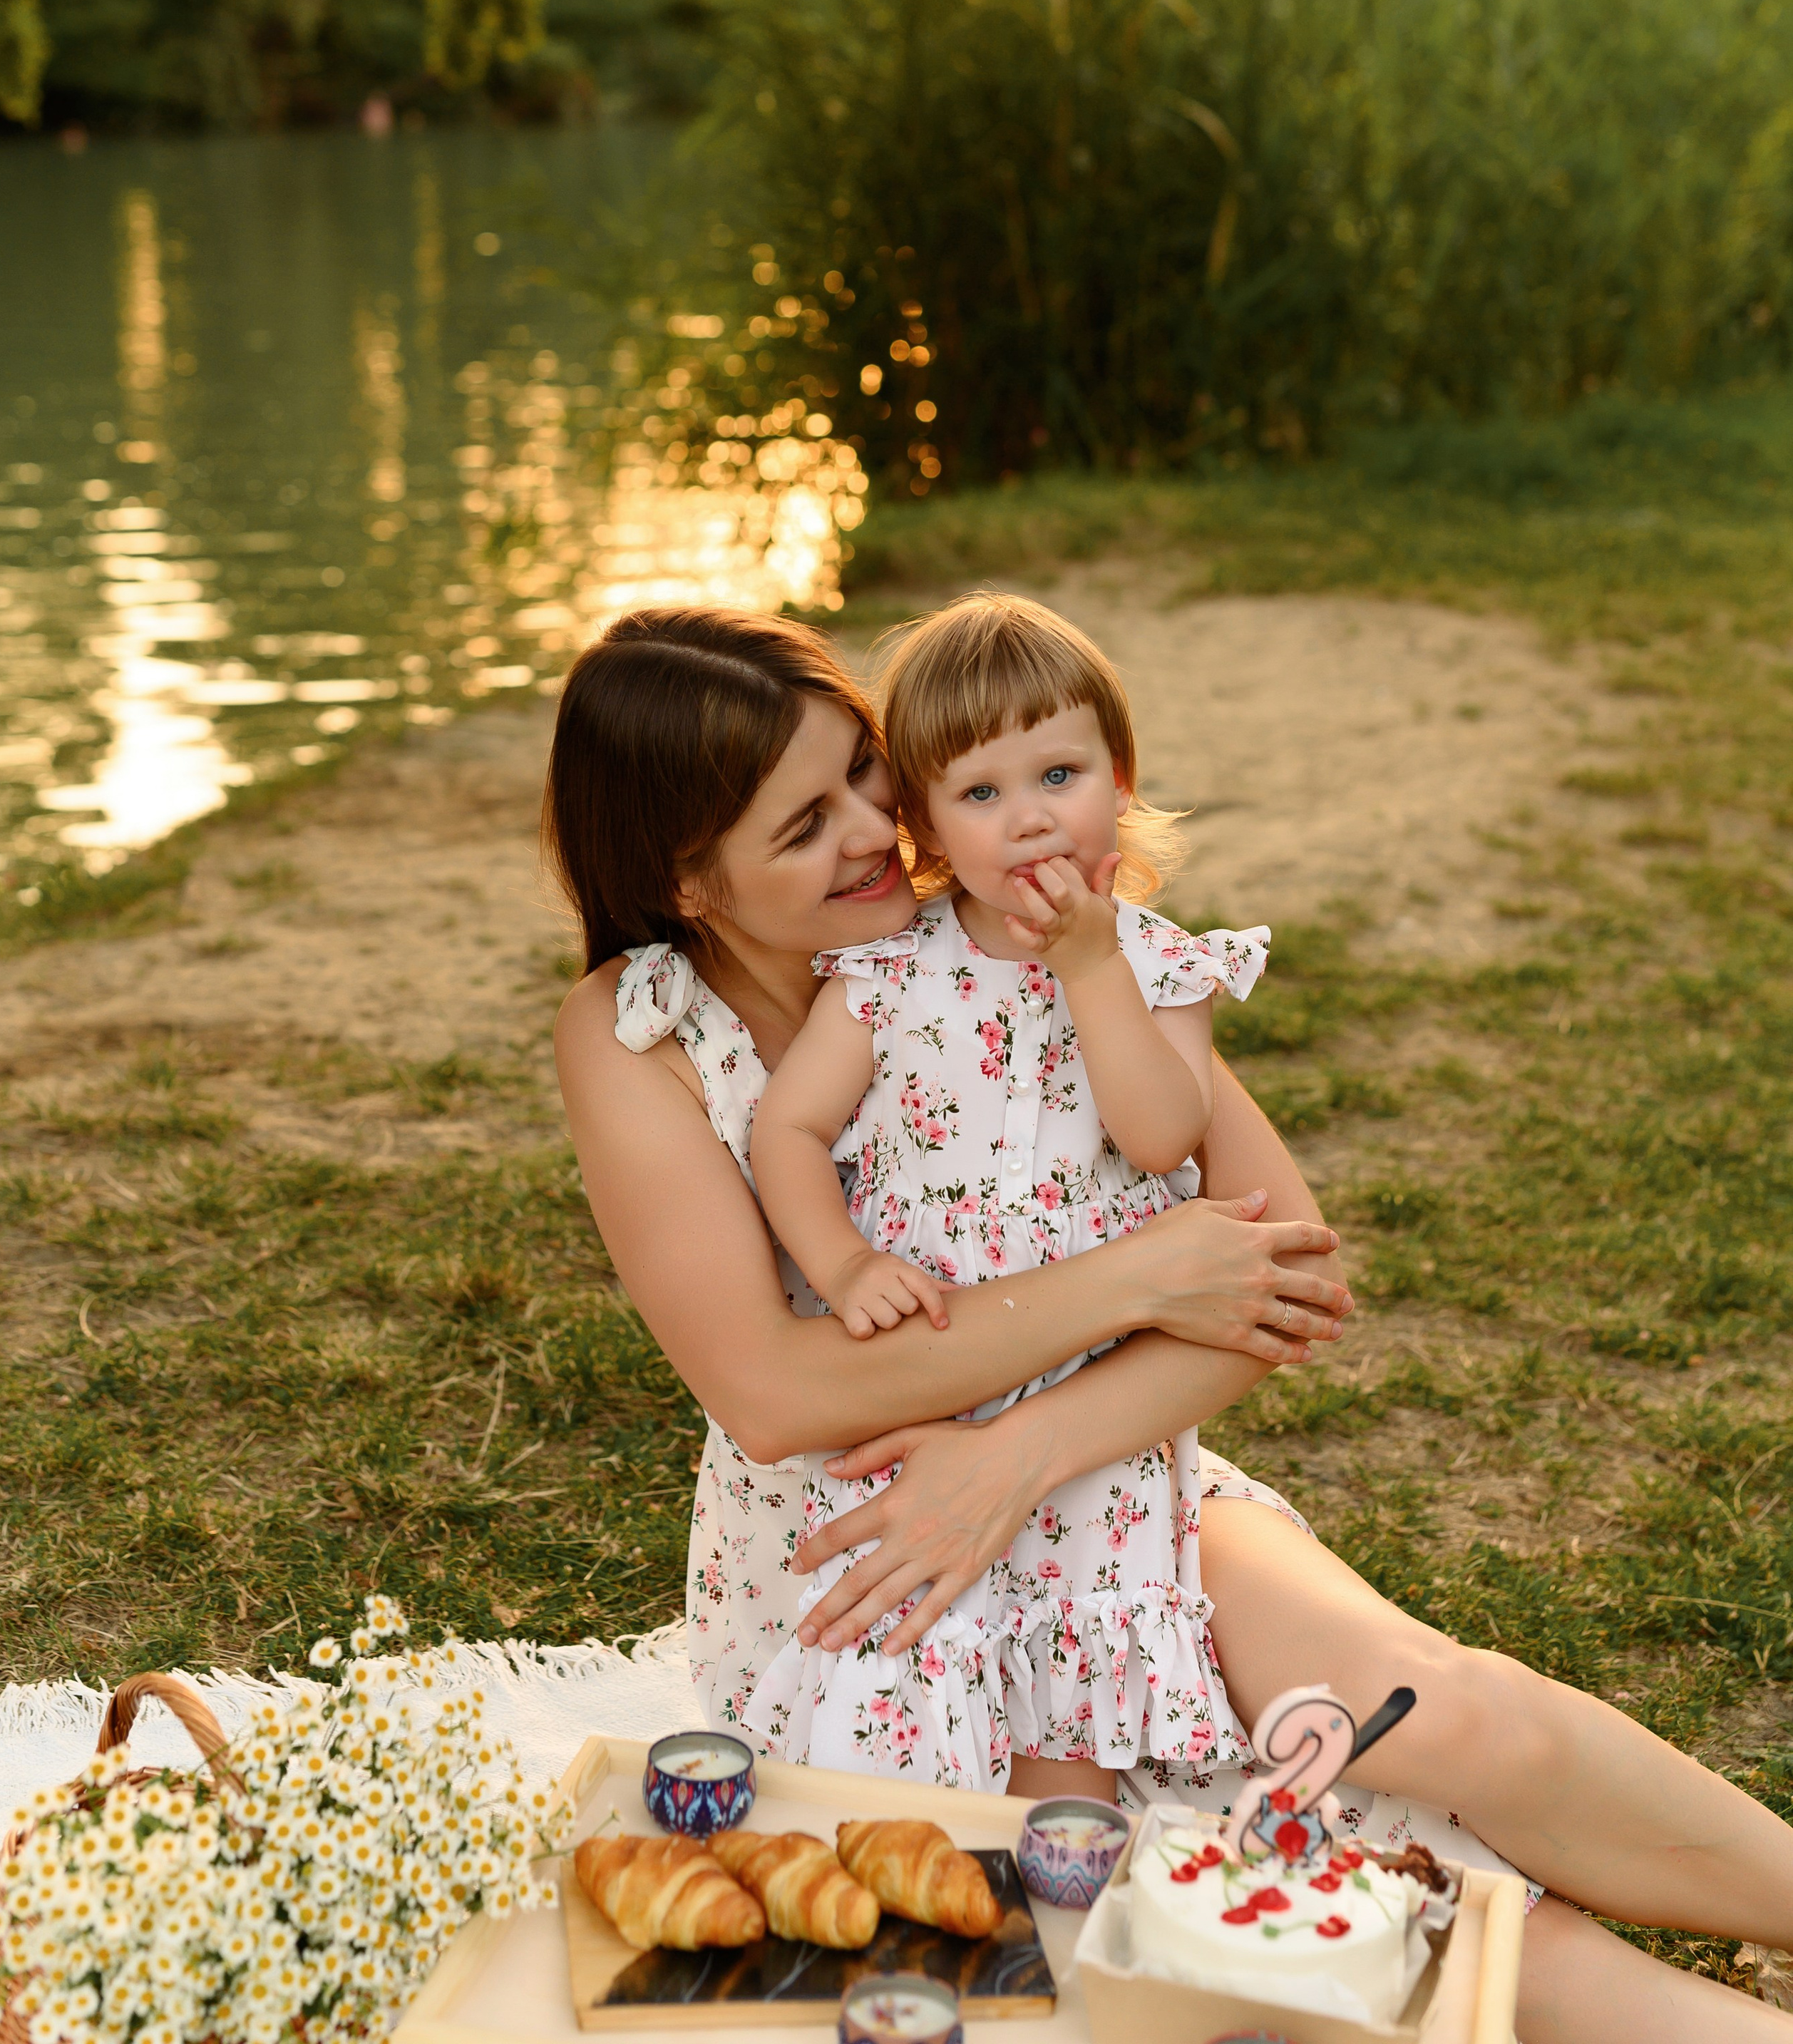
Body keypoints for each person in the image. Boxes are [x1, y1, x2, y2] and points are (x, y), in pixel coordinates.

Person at [550, 602, 1793, 2041]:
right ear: (687, 882)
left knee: (1448, 1716)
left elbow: (1276, 1264)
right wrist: (1132, 1279)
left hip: (1114, 1471)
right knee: (1216, 1909)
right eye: (797, 826)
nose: (872, 830)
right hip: (867, 1560)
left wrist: (1024, 1447)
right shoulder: (641, 1030)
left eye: (863, 774)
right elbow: (773, 1390)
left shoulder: (1035, 943)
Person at [744, 592, 1278, 1793]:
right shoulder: (889, 971)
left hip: (1093, 1399)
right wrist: (840, 1263)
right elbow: (793, 1123)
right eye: (981, 794)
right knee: (902, 1669)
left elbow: (1160, 1137)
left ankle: (1055, 1904)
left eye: (1060, 771)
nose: (1030, 818)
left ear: (1121, 775)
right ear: (925, 826)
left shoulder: (1155, 963)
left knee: (1067, 1719)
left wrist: (1091, 967)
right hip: (940, 1363)